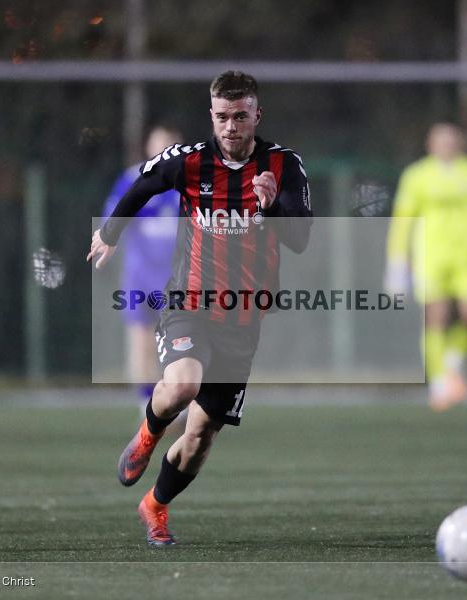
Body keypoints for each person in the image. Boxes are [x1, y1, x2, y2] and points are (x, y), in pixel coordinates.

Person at [88, 71, 312, 546]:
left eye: (240, 116)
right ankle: (148, 434)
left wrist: (272, 208)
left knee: (201, 436)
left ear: (256, 115)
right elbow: (142, 185)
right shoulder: (188, 161)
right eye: (222, 116)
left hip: (243, 319)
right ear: (211, 115)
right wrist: (109, 233)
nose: (231, 126)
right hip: (189, 302)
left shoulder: (282, 165)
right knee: (183, 383)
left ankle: (155, 505)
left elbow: (300, 240)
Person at [385, 123, 467, 410]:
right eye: (441, 141)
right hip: (430, 258)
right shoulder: (417, 175)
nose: (447, 145)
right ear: (430, 144)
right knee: (435, 318)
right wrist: (397, 263)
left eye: (452, 140)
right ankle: (440, 382)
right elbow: (402, 221)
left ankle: (452, 357)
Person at [103, 125, 187, 426]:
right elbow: (114, 216)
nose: (163, 149)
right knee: (142, 343)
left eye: (169, 144)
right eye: (158, 143)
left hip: (181, 279)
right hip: (140, 276)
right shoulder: (132, 178)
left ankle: (178, 398)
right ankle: (145, 401)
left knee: (183, 343)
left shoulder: (190, 181)